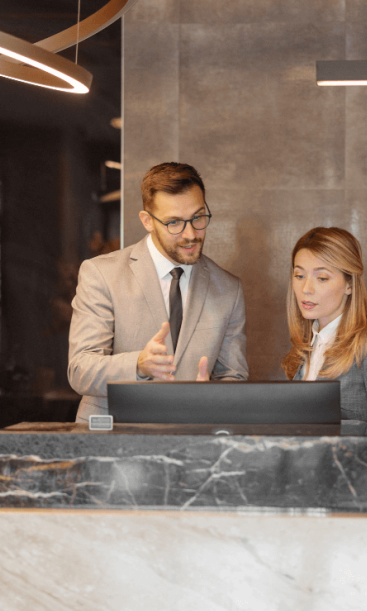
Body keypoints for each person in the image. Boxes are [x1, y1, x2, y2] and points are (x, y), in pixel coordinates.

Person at [68, 162, 248, 422]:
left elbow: (234, 377)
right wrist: (138, 365)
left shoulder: (229, 289)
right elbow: (80, 370)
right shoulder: (101, 274)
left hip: (194, 439)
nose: (190, 234)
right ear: (147, 221)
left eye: (198, 217)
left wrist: (214, 396)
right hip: (113, 437)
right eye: (174, 222)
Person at [282, 227, 367, 435]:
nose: (306, 288)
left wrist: (318, 431)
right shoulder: (305, 344)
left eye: (322, 278)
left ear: (349, 284)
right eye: (299, 275)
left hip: (350, 467)